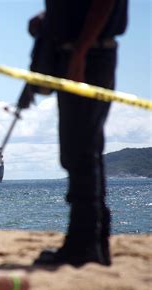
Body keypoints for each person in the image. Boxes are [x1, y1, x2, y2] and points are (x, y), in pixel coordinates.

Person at [28, 0, 128, 266]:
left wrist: (81, 51)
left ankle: (83, 245)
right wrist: (50, 18)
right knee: (83, 150)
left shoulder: (85, 52)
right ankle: (94, 242)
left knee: (80, 151)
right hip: (77, 52)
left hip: (87, 56)